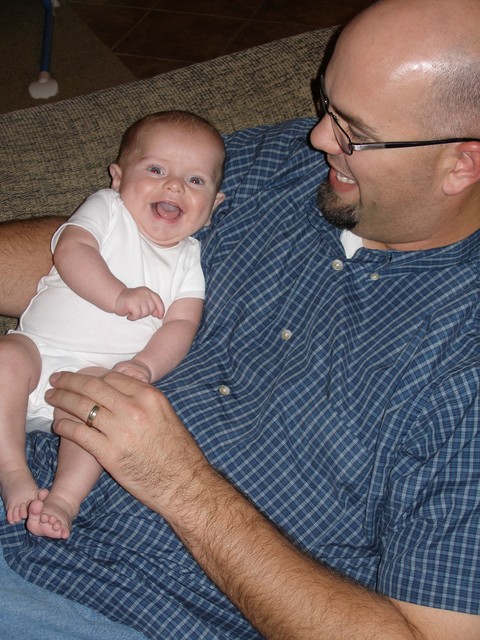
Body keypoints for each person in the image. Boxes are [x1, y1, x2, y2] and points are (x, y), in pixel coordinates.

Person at [0, 0, 479, 638]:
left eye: (352, 131)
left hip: (130, 615)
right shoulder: (285, 165)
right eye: (327, 103)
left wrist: (181, 486)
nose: (318, 137)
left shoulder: (463, 360)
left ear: (461, 164)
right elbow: (109, 243)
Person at [0, 110, 225, 539]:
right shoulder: (107, 208)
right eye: (156, 170)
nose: (174, 185)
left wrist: (145, 366)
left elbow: (182, 323)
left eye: (196, 180)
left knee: (104, 413)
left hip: (93, 377)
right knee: (5, 356)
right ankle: (12, 473)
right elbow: (73, 249)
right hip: (36, 352)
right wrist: (117, 296)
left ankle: (65, 499)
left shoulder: (188, 260)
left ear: (212, 207)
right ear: (118, 179)